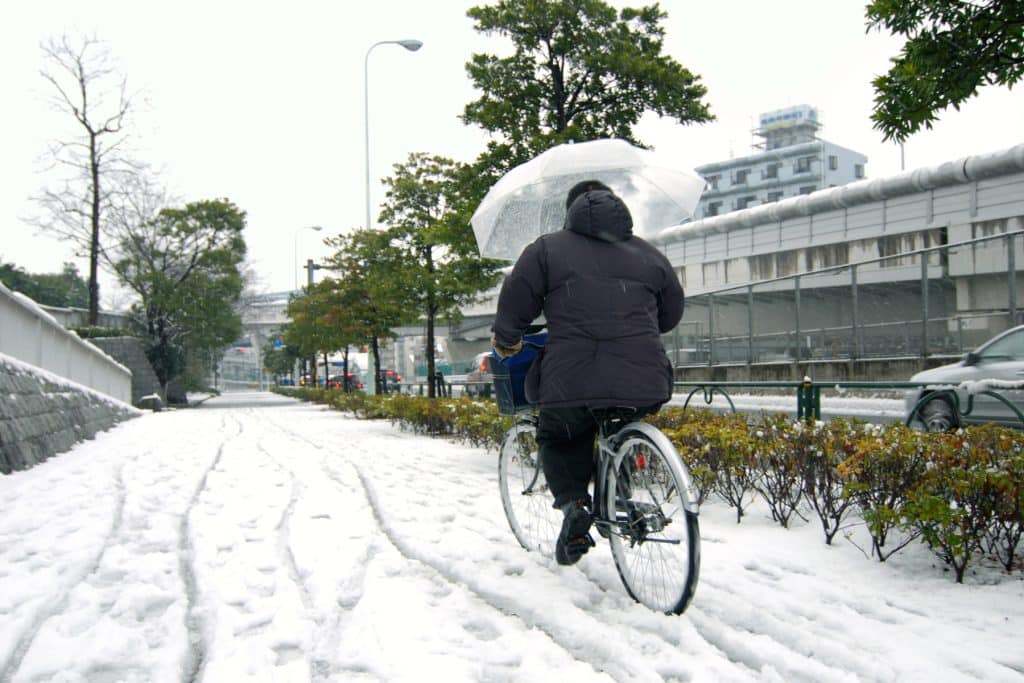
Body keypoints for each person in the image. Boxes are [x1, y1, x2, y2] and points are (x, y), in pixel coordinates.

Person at [492, 179, 685, 565]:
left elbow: (516, 301)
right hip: (643, 376)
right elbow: (670, 315)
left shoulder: (547, 249)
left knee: (560, 434)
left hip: (572, 377)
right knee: (620, 426)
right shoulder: (649, 254)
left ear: (570, 211)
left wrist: (508, 339)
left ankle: (575, 504)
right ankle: (618, 490)